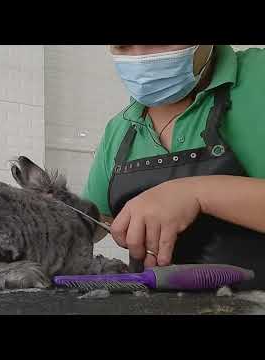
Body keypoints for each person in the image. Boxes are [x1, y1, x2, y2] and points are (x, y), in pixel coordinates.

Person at [82, 45, 265, 289]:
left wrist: (196, 193)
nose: (141, 58)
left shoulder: (258, 77)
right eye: (123, 46)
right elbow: (92, 223)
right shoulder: (119, 128)